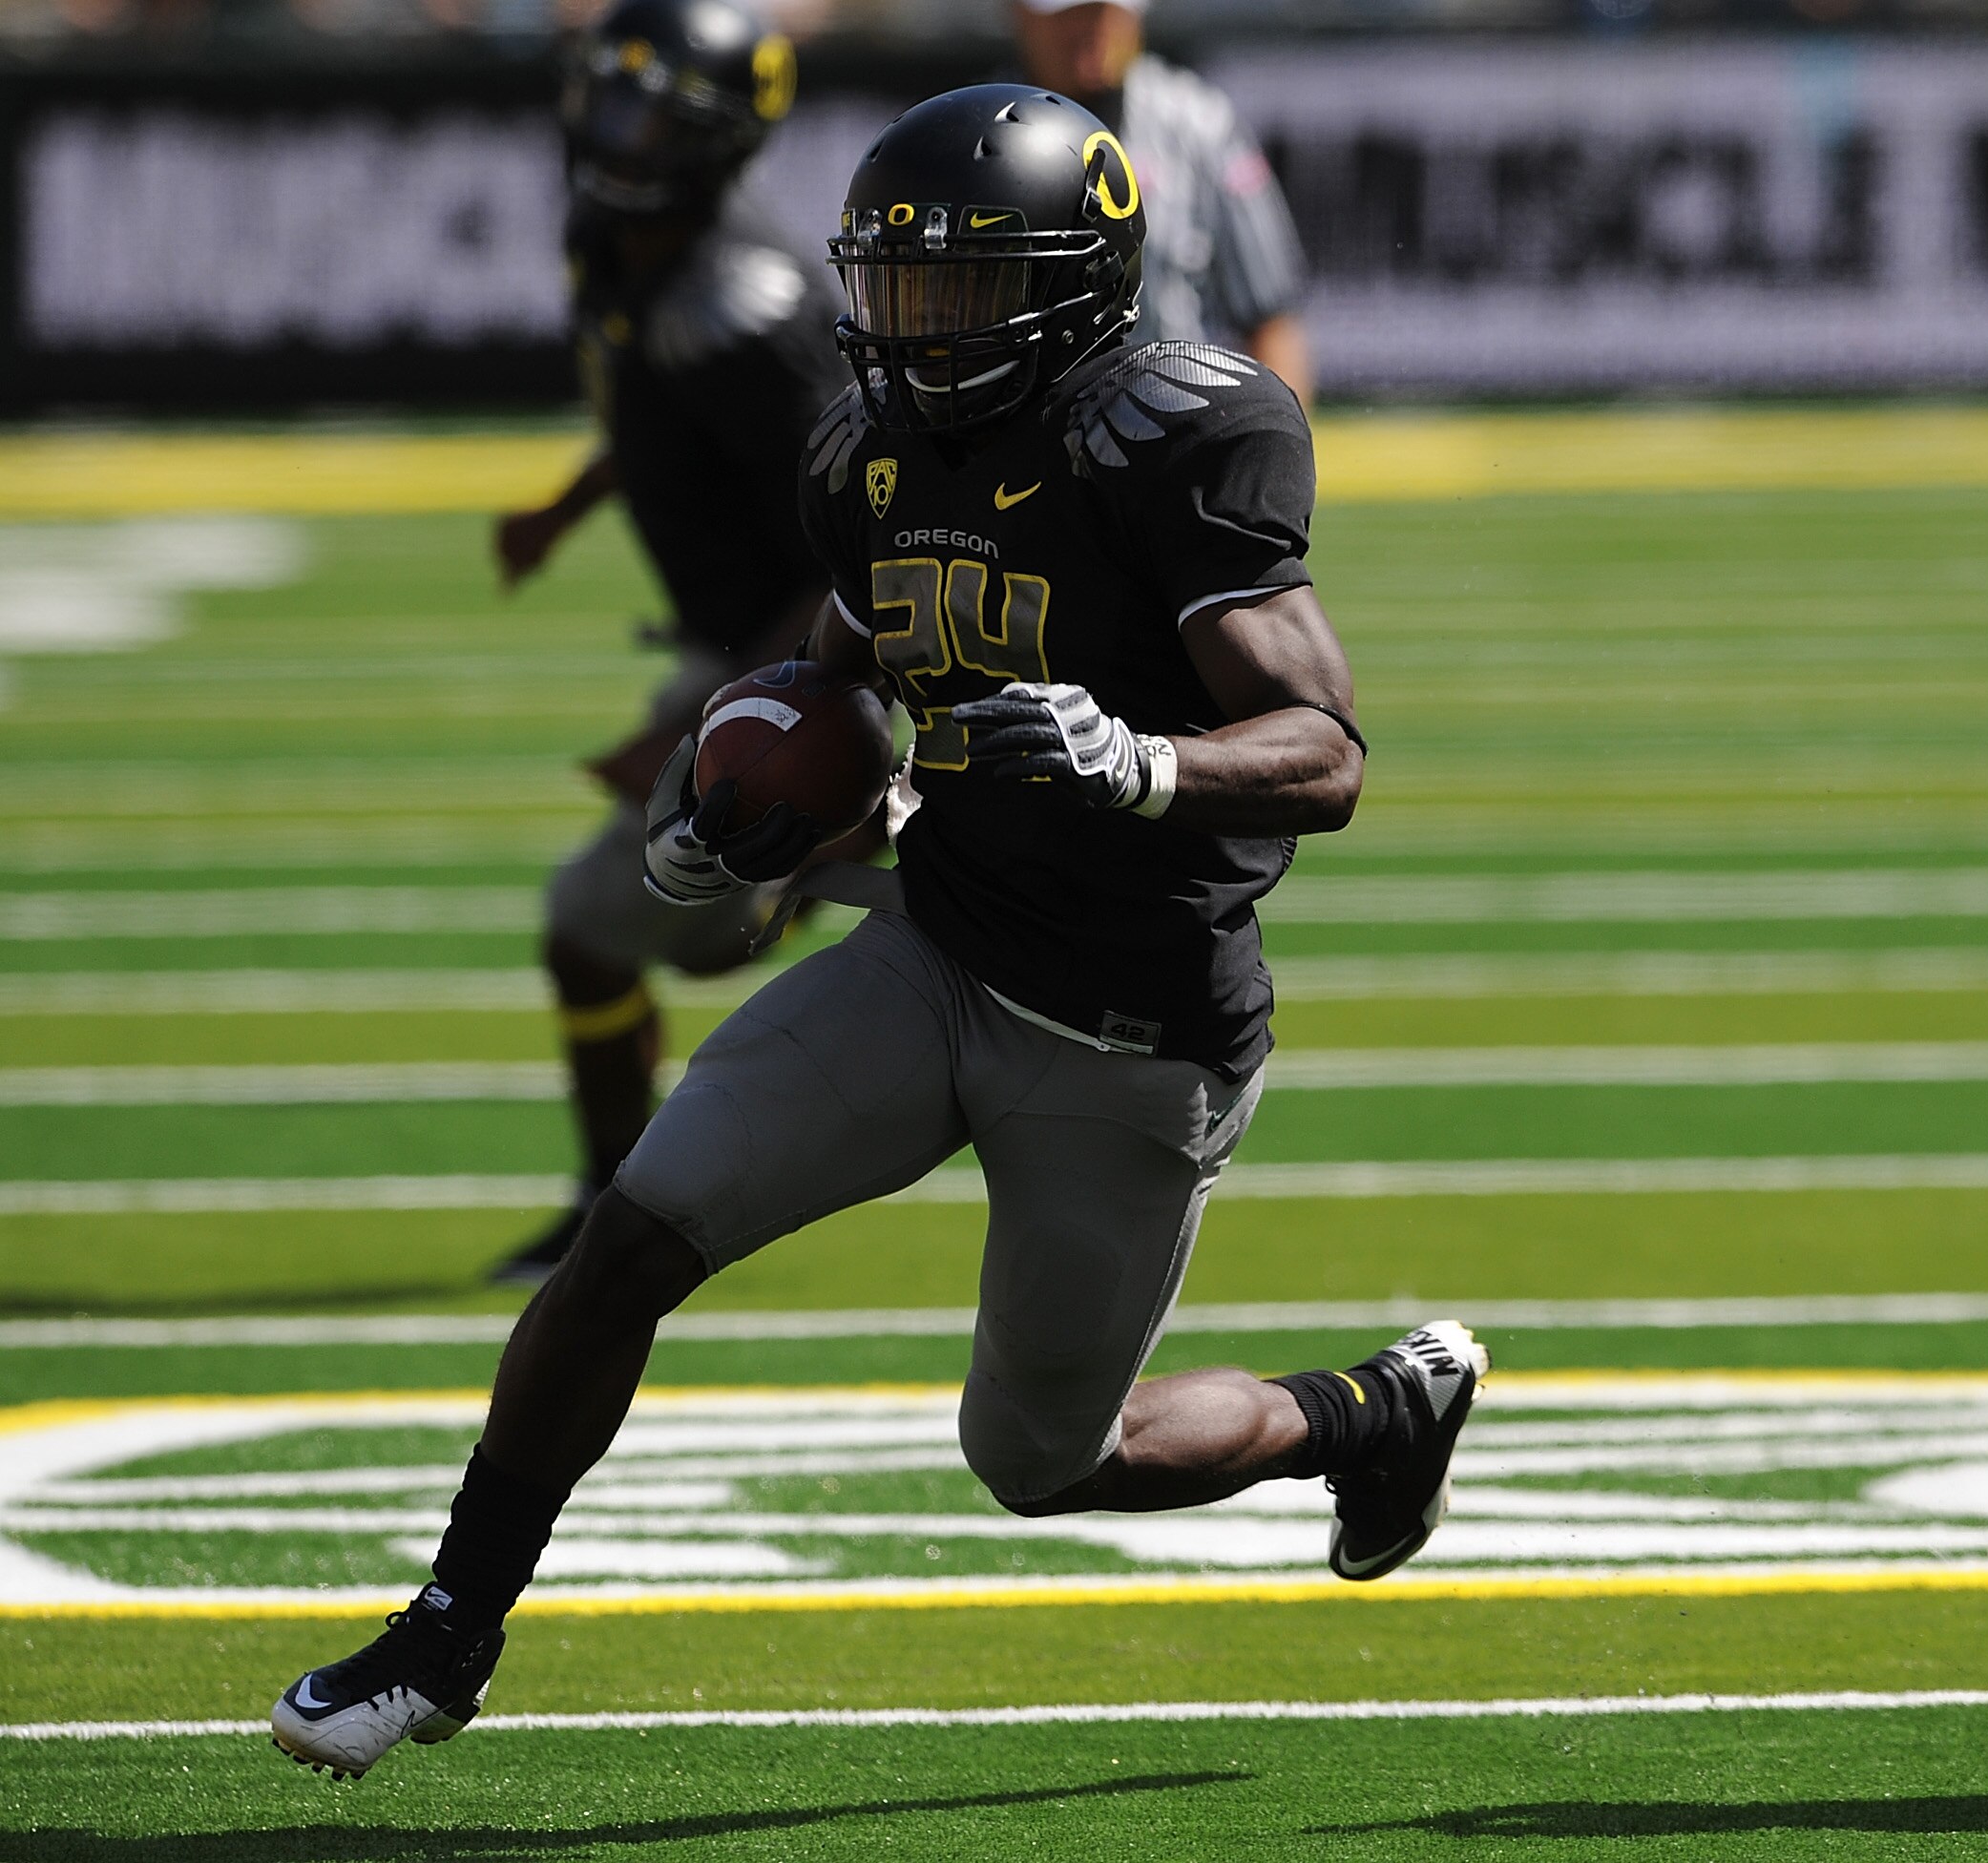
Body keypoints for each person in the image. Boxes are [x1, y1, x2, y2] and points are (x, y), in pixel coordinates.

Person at [268, 85, 1484, 1782]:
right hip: (937, 945)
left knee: (1048, 1457)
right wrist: (728, 823)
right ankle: (448, 1631)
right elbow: (833, 688)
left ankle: (1371, 1412)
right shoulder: (869, 446)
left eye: (963, 288)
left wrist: (1140, 761)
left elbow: (1328, 754)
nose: (917, 324)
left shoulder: (1177, 435)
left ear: (1072, 288)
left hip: (1125, 1030)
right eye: (896, 284)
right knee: (633, 1236)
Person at [486, 0, 851, 1286]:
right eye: (615, 96)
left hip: (814, 661)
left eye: (656, 110)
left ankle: (859, 829)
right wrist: (568, 506)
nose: (619, 128)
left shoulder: (751, 306)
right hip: (735, 652)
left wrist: (718, 726)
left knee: (607, 924)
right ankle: (613, 1203)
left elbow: (853, 542)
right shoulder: (623, 243)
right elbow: (653, 409)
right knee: (667, 934)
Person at [1011, 0, 1315, 407]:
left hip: (1177, 440)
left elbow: (1271, 322)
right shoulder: (978, 135)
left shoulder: (1201, 124)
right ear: (1020, 13)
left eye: (1103, 10)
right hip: (1028, 447)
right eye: (1071, 12)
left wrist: (1276, 454)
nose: (1090, 28)